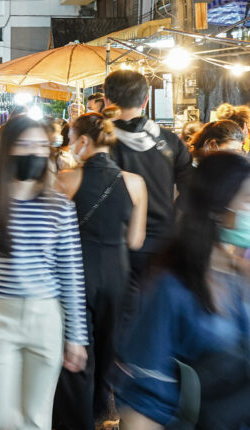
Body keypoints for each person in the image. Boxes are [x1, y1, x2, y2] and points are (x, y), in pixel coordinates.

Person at [0, 115, 88, 430]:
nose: (35, 153)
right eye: (25, 145)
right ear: (7, 150)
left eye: (41, 145)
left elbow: (71, 273)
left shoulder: (61, 207)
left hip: (45, 318)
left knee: (37, 419)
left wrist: (77, 336)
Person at [112, 152, 250, 429]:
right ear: (219, 209)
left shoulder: (238, 278)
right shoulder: (172, 287)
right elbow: (144, 398)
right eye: (248, 199)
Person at [53, 109, 148, 430]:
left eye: (69, 141)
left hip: (76, 275)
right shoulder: (135, 183)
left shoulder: (65, 180)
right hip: (117, 273)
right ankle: (102, 410)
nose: (68, 147)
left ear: (82, 141)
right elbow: (136, 240)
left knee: (77, 350)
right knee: (109, 348)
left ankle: (76, 420)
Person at [104, 70, 193, 308]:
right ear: (145, 101)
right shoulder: (169, 140)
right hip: (163, 240)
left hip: (116, 243)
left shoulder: (102, 142)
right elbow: (190, 189)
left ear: (106, 100)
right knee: (156, 309)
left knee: (123, 315)